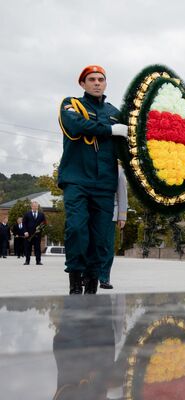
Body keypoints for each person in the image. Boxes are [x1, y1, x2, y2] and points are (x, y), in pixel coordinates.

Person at [57, 65, 128, 294]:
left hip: (104, 183)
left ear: (105, 84)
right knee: (77, 228)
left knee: (100, 237)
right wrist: (109, 130)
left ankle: (93, 280)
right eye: (92, 79)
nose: (97, 83)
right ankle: (75, 279)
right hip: (77, 179)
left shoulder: (114, 112)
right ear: (83, 84)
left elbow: (127, 144)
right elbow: (75, 125)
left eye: (101, 79)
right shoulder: (72, 104)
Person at [98, 164, 128, 290]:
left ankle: (104, 277)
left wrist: (122, 216)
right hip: (92, 210)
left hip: (110, 211)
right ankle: (87, 274)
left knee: (107, 246)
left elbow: (122, 192)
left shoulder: (118, 169)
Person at [23, 201, 46, 265]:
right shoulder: (27, 214)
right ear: (31, 206)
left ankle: (38, 261)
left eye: (36, 206)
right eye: (34, 206)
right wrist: (25, 231)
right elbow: (24, 223)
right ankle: (27, 261)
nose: (35, 207)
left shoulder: (41, 214)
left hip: (37, 234)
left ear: (38, 206)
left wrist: (40, 228)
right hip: (29, 234)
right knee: (28, 248)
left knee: (37, 248)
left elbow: (44, 223)